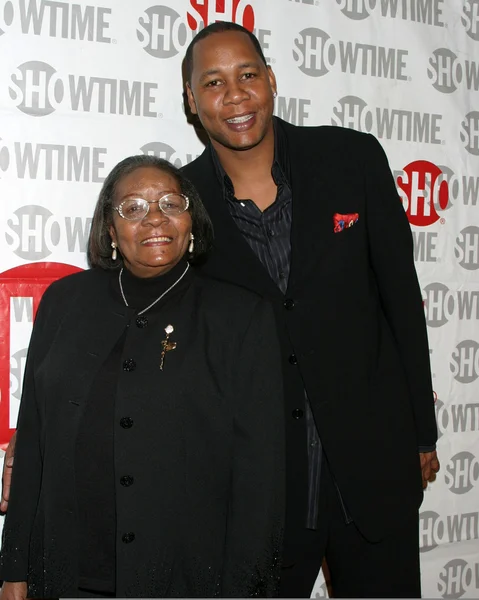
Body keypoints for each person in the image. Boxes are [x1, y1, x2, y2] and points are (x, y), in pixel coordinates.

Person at [178, 22, 439, 598]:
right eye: (215, 82)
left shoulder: (351, 157)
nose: (236, 94)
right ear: (193, 102)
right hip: (255, 490)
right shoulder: (179, 203)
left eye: (248, 75)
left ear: (271, 80)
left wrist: (422, 434)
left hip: (373, 467)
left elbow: (401, 297)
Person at [0, 155, 284, 598]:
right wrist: (14, 567)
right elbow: (35, 439)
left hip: (185, 580)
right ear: (110, 232)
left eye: (171, 203)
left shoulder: (240, 318)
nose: (154, 217)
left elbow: (261, 481)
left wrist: (245, 591)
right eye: (132, 207)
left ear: (192, 220)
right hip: (63, 574)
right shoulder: (64, 302)